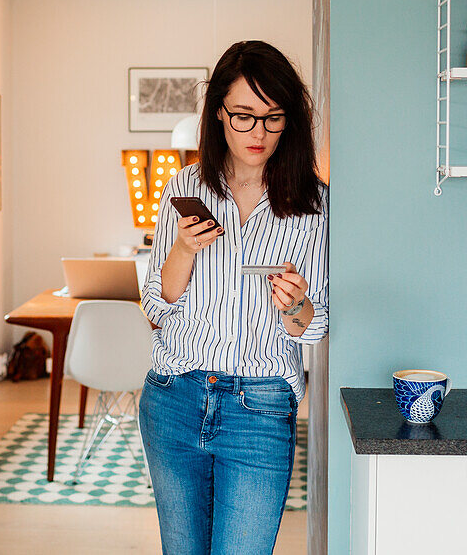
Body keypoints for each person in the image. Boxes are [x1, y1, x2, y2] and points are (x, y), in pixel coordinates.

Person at [138, 40, 328, 555]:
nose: (258, 133)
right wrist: (182, 248)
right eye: (244, 116)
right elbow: (156, 309)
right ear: (219, 112)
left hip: (260, 405)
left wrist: (294, 303)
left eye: (273, 118)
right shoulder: (182, 186)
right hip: (173, 396)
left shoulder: (313, 204)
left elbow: (313, 327)